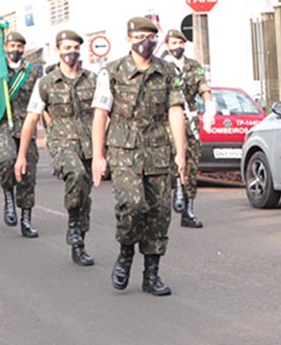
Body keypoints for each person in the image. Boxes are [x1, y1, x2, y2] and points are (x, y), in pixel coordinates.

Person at [91, 17, 187, 296]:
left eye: (150, 37)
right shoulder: (112, 72)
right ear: (129, 40)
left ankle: (151, 274)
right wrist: (98, 155)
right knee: (131, 205)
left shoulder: (167, 71)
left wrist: (180, 152)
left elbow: (175, 111)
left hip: (158, 150)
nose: (144, 43)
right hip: (124, 150)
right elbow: (101, 114)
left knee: (159, 213)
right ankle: (125, 252)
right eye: (139, 37)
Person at [15, 29, 96, 265]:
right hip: (62, 142)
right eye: (67, 47)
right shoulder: (46, 83)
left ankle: (79, 242)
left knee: (84, 195)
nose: (71, 52)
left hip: (89, 144)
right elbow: (31, 119)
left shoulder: (92, 79)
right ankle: (73, 222)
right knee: (76, 175)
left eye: (75, 48)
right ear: (58, 50)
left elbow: (102, 114)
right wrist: (21, 156)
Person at [163, 28, 216, 228]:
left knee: (191, 163)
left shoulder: (194, 66)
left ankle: (188, 210)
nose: (177, 47)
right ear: (167, 45)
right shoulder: (162, 67)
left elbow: (204, 87)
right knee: (171, 161)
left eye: (180, 43)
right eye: (174, 43)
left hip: (190, 120)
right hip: (168, 120)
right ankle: (171, 198)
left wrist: (209, 107)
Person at [0, 31, 40, 237]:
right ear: (5, 47)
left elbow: (40, 99)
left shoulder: (31, 72)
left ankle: (26, 220)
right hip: (3, 125)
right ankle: (8, 197)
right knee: (7, 159)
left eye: (19, 46)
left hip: (26, 126)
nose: (15, 50)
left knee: (28, 174)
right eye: (12, 46)